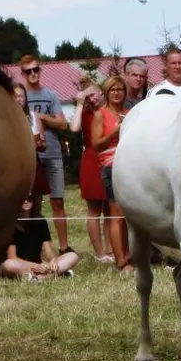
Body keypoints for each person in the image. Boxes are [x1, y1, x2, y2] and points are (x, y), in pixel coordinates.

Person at [18, 55, 71, 251]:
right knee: (33, 203)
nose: (33, 74)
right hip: (31, 156)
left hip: (53, 152)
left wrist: (41, 117)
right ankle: (35, 247)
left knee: (58, 201)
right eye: (28, 71)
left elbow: (63, 123)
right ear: (22, 73)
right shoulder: (20, 96)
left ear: (40, 70)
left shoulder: (51, 95)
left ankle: (64, 247)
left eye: (36, 69)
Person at [85, 75, 130, 272]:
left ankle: (129, 256)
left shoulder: (130, 113)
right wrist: (114, 133)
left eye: (120, 89)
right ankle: (120, 261)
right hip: (111, 165)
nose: (117, 93)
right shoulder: (100, 115)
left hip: (131, 165)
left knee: (129, 214)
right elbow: (95, 144)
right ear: (106, 92)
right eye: (113, 89)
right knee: (116, 212)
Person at [69, 78, 111, 263]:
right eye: (87, 97)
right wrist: (79, 104)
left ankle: (112, 249)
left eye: (93, 94)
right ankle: (100, 253)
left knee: (111, 208)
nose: (91, 99)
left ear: (101, 92)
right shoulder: (85, 112)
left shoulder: (110, 110)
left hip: (110, 156)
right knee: (94, 209)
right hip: (91, 159)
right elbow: (74, 128)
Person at [2, 195, 79, 280]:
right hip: (21, 265)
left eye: (30, 198)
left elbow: (48, 249)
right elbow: (12, 257)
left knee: (73, 256)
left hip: (39, 264)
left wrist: (52, 260)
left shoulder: (41, 221)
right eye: (23, 199)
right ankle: (54, 274)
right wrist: (35, 266)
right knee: (8, 264)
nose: (26, 201)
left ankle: (38, 278)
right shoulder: (10, 225)